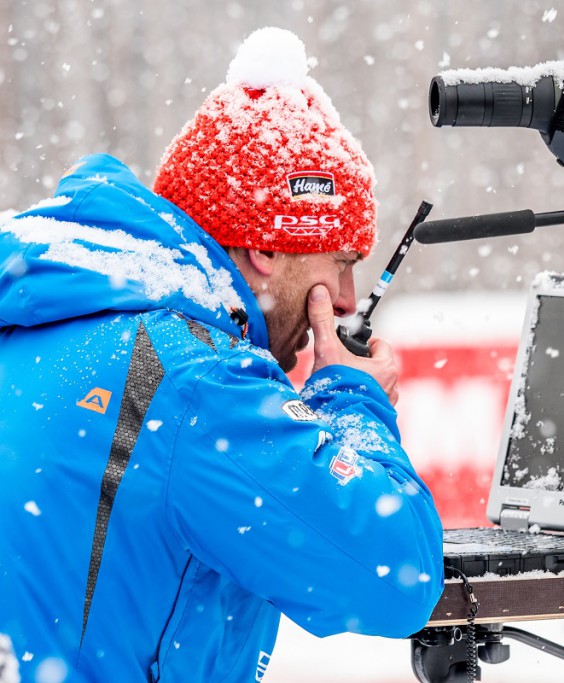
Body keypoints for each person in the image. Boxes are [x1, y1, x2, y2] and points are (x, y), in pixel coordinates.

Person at [0, 27, 443, 683]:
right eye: (342, 261)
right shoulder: (192, 382)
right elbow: (395, 573)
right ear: (265, 247)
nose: (348, 299)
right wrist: (352, 400)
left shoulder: (46, 308)